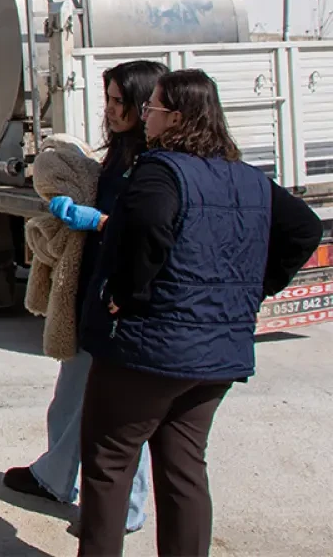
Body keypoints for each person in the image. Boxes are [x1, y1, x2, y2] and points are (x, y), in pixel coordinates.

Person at [64, 69, 322, 556]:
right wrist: (252, 292)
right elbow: (305, 230)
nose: (146, 116)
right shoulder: (249, 178)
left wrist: (126, 292)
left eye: (152, 109)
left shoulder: (160, 170)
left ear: (176, 118)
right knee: (184, 470)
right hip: (216, 357)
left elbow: (147, 230)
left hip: (148, 352)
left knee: (109, 464)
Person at [3, 60, 166, 533]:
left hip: (124, 301)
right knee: (71, 396)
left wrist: (94, 221)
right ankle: (55, 475)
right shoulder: (118, 154)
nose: (112, 110)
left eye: (122, 102)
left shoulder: (155, 165)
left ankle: (125, 510)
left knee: (118, 418)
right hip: (93, 291)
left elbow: (151, 233)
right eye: (109, 100)